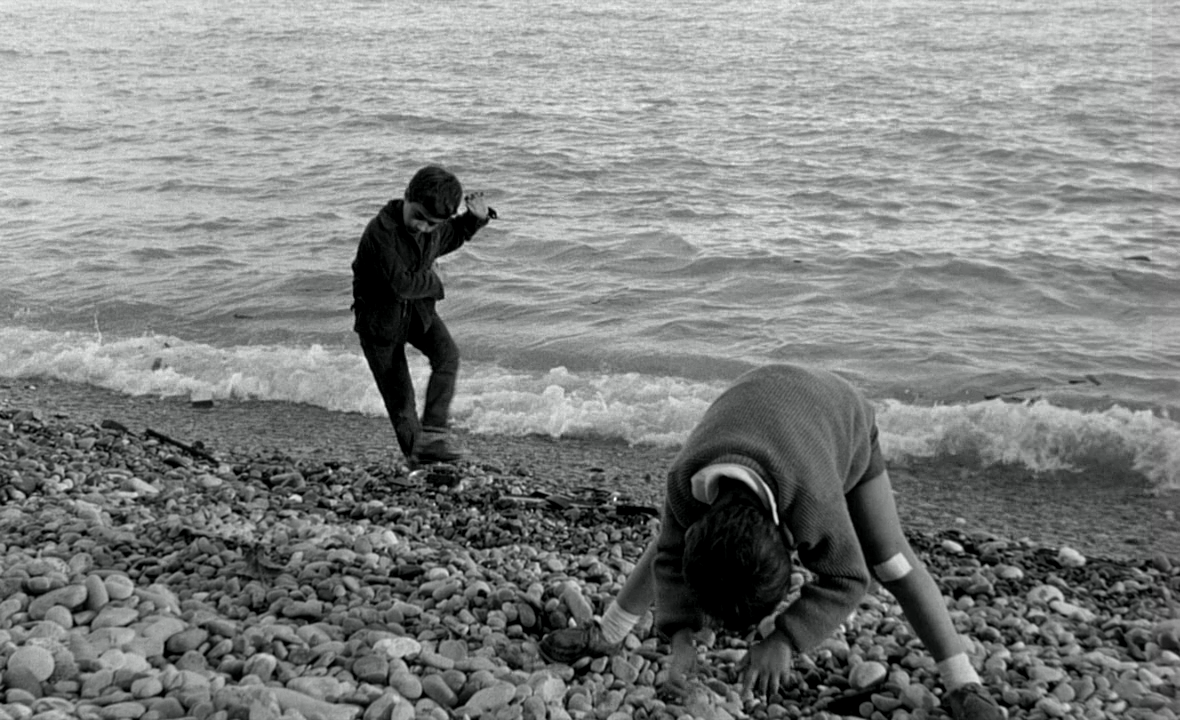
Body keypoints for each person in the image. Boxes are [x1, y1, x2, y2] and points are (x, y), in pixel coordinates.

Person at [539, 364, 1004, 720]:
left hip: (840, 418)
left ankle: (963, 680)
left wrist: (785, 639)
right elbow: (670, 553)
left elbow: (848, 578)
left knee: (891, 562)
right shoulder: (685, 479)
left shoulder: (813, 502)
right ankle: (609, 634)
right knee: (670, 536)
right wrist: (681, 638)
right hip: (761, 409)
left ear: (791, 541)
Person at [351, 165, 493, 467]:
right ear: (406, 197)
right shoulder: (380, 233)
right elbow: (400, 283)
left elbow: (450, 235)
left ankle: (433, 436)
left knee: (448, 356)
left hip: (417, 314)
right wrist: (435, 281)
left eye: (432, 224)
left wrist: (475, 219)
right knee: (402, 403)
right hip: (380, 324)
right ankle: (419, 460)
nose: (423, 227)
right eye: (419, 217)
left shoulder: (432, 226)